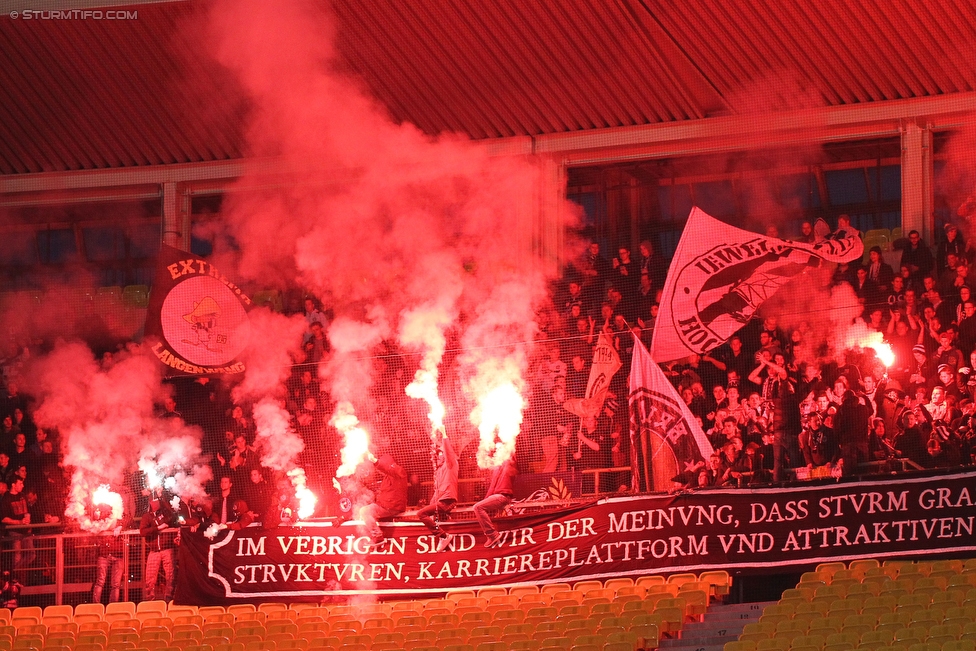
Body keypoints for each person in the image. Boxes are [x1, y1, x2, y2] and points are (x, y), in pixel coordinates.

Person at [417, 428, 459, 553]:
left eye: (441, 454)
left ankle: (443, 536)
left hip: (447, 500)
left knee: (420, 514)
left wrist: (444, 434)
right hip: (441, 501)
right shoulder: (440, 470)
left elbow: (448, 452)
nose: (439, 456)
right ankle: (441, 531)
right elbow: (437, 492)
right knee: (427, 513)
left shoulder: (451, 464)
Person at [359, 454, 408, 548]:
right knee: (368, 511)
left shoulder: (398, 471)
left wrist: (375, 461)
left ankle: (377, 537)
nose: (379, 470)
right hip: (388, 506)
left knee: (364, 511)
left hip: (391, 507)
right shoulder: (388, 476)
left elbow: (389, 469)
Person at [139, 496, 177, 602]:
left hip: (167, 549)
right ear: (150, 503)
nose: (155, 503)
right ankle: (150, 601)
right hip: (154, 550)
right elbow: (143, 531)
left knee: (170, 576)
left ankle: (169, 600)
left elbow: (173, 517)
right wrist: (157, 528)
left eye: (157, 501)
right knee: (150, 578)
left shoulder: (165, 513)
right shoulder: (147, 516)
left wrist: (162, 497)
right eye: (153, 501)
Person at [473, 456, 517, 548]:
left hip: (502, 496)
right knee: (478, 507)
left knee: (477, 507)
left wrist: (507, 445)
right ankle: (492, 535)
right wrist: (484, 501)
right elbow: (492, 487)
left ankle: (492, 535)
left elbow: (511, 454)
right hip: (496, 497)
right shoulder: (497, 469)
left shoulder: (508, 463)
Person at [90, 517, 125, 604]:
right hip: (105, 554)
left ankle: (112, 607)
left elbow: (129, 519)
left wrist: (121, 526)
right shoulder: (102, 514)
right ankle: (96, 606)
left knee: (115, 584)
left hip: (117, 554)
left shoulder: (120, 514)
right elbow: (94, 526)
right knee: (100, 581)